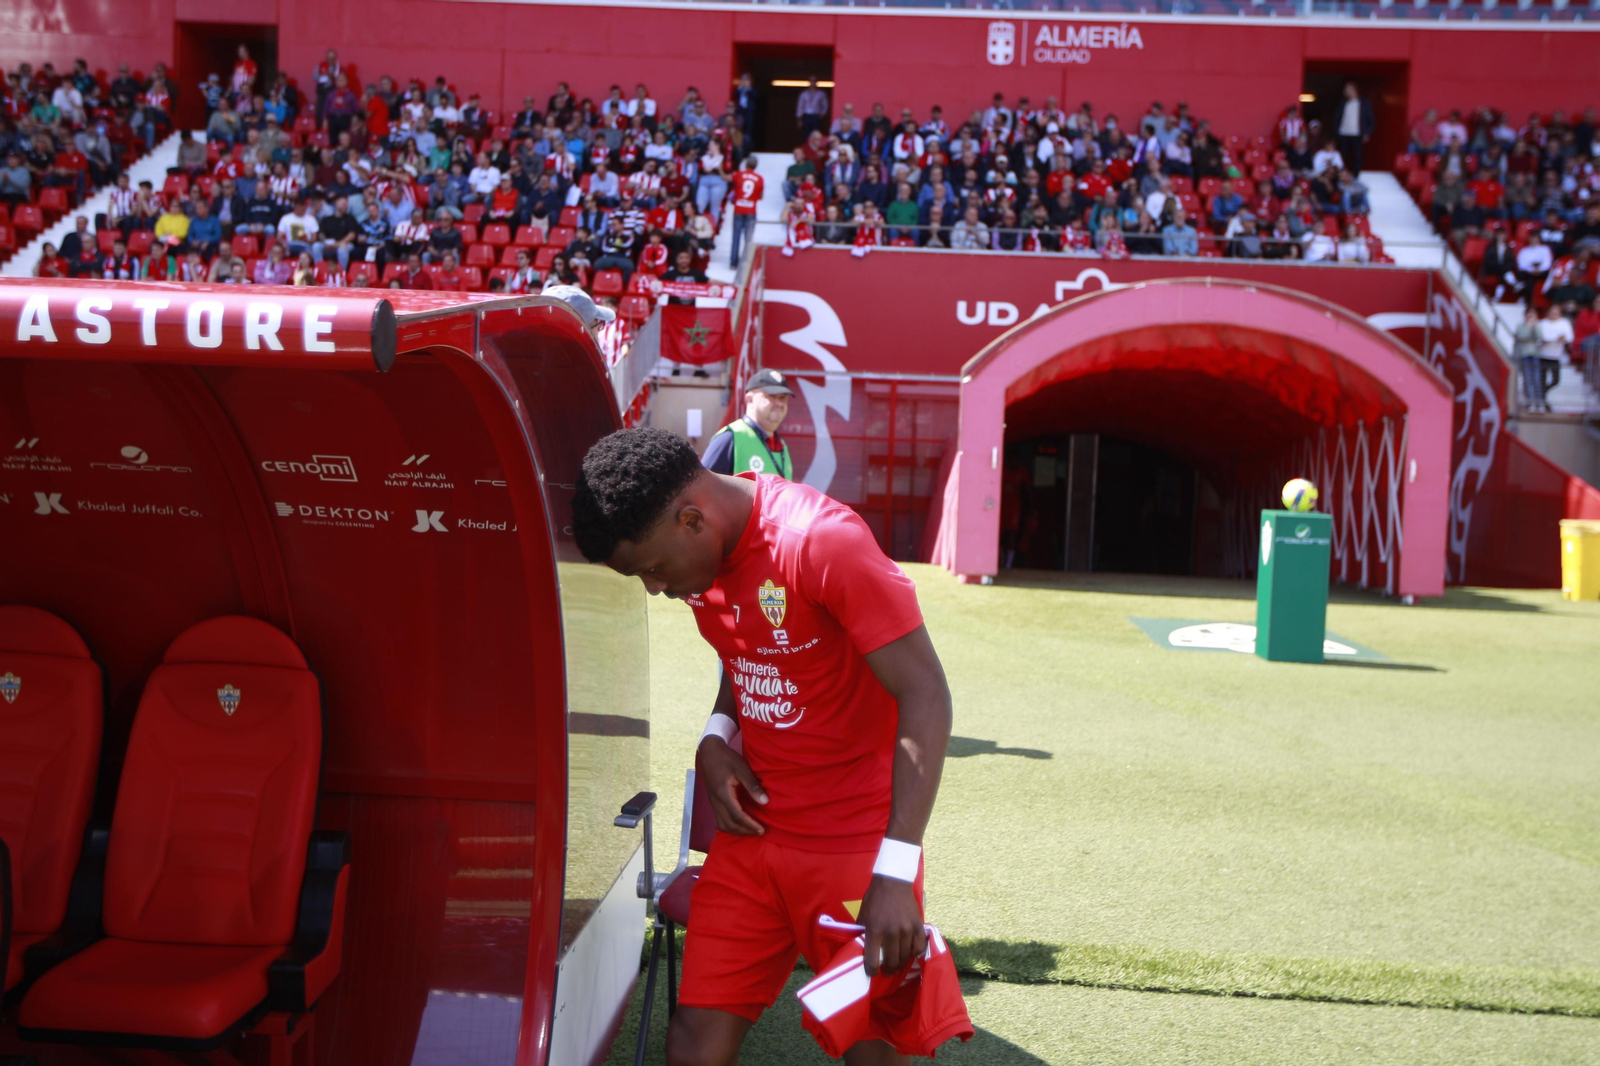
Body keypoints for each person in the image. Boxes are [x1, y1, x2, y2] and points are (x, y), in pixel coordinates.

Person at [569, 426, 968, 1066]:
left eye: (651, 569)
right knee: (693, 1043)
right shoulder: (703, 552)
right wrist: (715, 734)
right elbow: (749, 646)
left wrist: (895, 871)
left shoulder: (820, 543)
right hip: (751, 841)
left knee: (874, 1053)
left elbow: (927, 697)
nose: (655, 589)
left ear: (692, 518)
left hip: (852, 847)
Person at [701, 369, 795, 478]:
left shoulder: (781, 446)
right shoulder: (730, 438)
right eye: (772, 396)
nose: (779, 403)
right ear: (750, 399)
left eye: (783, 398)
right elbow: (700, 489)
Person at [729, 158, 764, 267]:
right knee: (748, 238)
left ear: (746, 164)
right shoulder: (759, 178)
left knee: (736, 236)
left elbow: (728, 179)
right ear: (756, 166)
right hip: (751, 210)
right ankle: (746, 262)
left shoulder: (739, 174)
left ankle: (733, 262)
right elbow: (761, 196)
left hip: (738, 209)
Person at [1335, 81, 1374, 176]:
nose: (1345, 91)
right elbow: (1337, 118)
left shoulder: (1364, 103)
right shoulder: (1343, 103)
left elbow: (1370, 118)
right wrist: (1336, 130)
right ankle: (1342, 175)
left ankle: (1356, 175)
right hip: (1344, 133)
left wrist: (1367, 132)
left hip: (1357, 134)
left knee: (1357, 156)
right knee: (1343, 156)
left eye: (1347, 89)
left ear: (1354, 90)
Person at [1513, 307, 1546, 412]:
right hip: (1524, 355)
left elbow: (1539, 336)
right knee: (1528, 379)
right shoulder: (1521, 326)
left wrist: (1534, 326)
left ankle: (1539, 401)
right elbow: (1522, 337)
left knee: (1536, 379)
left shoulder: (1537, 326)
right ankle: (1530, 401)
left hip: (1535, 355)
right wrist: (1528, 326)